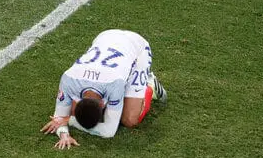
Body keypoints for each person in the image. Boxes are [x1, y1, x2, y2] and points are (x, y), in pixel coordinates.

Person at [40, 29, 168, 149]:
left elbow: (108, 132)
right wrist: (64, 135)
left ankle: (149, 84)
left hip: (137, 48)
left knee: (129, 120)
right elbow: (59, 117)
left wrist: (69, 120)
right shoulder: (69, 79)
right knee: (73, 111)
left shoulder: (114, 84)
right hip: (105, 37)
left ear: (102, 104)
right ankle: (125, 97)